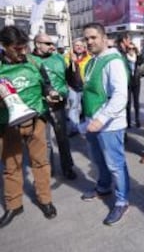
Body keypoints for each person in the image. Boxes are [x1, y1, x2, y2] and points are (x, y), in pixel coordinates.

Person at [0, 26, 57, 228]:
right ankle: (14, 205)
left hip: (36, 120)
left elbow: (46, 84)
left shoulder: (34, 61)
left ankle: (45, 199)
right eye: (17, 48)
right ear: (4, 46)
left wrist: (50, 93)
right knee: (11, 167)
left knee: (40, 162)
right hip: (7, 125)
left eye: (25, 47)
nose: (23, 52)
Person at [80, 22, 130, 226]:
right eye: (86, 38)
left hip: (110, 124)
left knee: (115, 164)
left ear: (103, 38)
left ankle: (122, 200)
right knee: (99, 160)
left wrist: (101, 119)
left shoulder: (113, 61)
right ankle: (103, 187)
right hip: (93, 122)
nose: (89, 42)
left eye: (93, 37)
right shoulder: (92, 61)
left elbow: (120, 96)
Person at [30, 32, 77, 180]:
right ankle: (48, 168)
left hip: (59, 105)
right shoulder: (29, 61)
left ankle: (67, 167)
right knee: (45, 141)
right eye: (48, 43)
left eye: (52, 43)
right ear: (38, 44)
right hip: (40, 107)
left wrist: (73, 68)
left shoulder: (59, 58)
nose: (52, 46)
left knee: (62, 138)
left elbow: (69, 79)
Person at [64, 38, 91, 137]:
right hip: (72, 87)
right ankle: (74, 128)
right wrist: (72, 62)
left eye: (81, 45)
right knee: (73, 107)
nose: (79, 47)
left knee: (86, 107)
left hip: (86, 87)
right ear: (73, 47)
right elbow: (65, 72)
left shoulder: (89, 58)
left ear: (84, 48)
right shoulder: (67, 58)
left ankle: (85, 126)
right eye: (76, 45)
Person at [117, 32, 141, 128]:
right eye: (129, 48)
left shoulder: (138, 57)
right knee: (128, 103)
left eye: (132, 48)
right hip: (127, 83)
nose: (131, 50)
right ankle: (128, 121)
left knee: (136, 102)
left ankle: (137, 119)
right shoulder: (123, 56)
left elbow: (142, 66)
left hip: (136, 82)